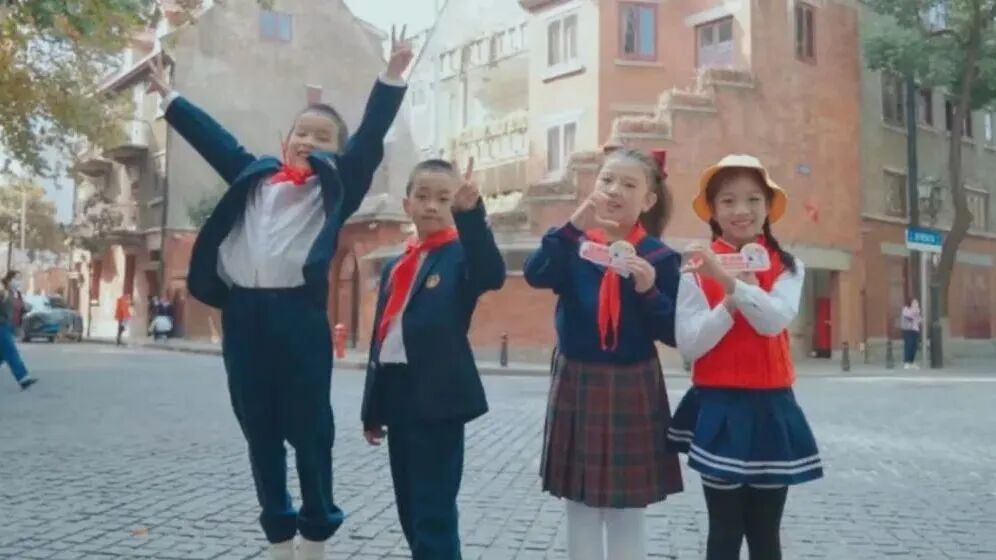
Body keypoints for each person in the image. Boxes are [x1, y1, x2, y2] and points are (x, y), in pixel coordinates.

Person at [145, 26, 413, 560]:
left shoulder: (334, 189)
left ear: (336, 152)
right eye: (301, 132)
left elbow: (368, 140)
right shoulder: (256, 177)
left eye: (322, 137)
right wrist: (170, 97)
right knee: (259, 430)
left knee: (310, 431)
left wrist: (390, 77)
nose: (308, 141)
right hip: (244, 316)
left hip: (298, 317)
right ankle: (277, 536)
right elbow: (215, 140)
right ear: (284, 140)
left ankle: (315, 532)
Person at [523, 148, 683, 560]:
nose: (614, 190)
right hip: (577, 379)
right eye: (607, 180)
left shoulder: (659, 257)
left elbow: (673, 333)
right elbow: (535, 273)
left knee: (627, 510)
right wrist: (574, 224)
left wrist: (649, 291)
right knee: (579, 505)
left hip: (633, 382)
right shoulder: (574, 247)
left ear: (648, 200)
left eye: (629, 184)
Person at [669, 154, 823, 560]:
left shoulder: (788, 266)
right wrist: (730, 298)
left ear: (768, 207)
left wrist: (728, 282)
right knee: (723, 531)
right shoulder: (695, 267)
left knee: (765, 533)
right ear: (713, 210)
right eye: (728, 200)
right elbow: (690, 343)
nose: (741, 210)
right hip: (720, 404)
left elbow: (773, 322)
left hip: (772, 406)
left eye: (753, 199)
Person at [361, 158, 505, 560]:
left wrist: (471, 214)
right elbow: (382, 340)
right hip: (398, 395)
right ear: (406, 204)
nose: (431, 206)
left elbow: (491, 272)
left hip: (438, 400)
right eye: (422, 196)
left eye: (443, 199)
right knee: (409, 509)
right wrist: (372, 409)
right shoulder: (396, 265)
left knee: (433, 512)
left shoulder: (460, 257)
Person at [0, 271, 36, 390]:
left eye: (20, 279)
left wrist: (26, 308)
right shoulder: (3, 291)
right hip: (1, 325)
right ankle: (23, 378)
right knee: (11, 351)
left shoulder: (16, 294)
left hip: (10, 326)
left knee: (3, 355)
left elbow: (19, 310)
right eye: (16, 279)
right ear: (9, 280)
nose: (18, 281)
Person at [901, 298, 922, 369]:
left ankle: (911, 362)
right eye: (914, 303)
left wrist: (919, 318)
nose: (916, 304)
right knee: (908, 346)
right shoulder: (906, 309)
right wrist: (915, 311)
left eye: (917, 303)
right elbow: (909, 316)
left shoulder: (917, 311)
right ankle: (906, 362)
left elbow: (919, 320)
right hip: (908, 330)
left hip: (915, 330)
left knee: (914, 347)